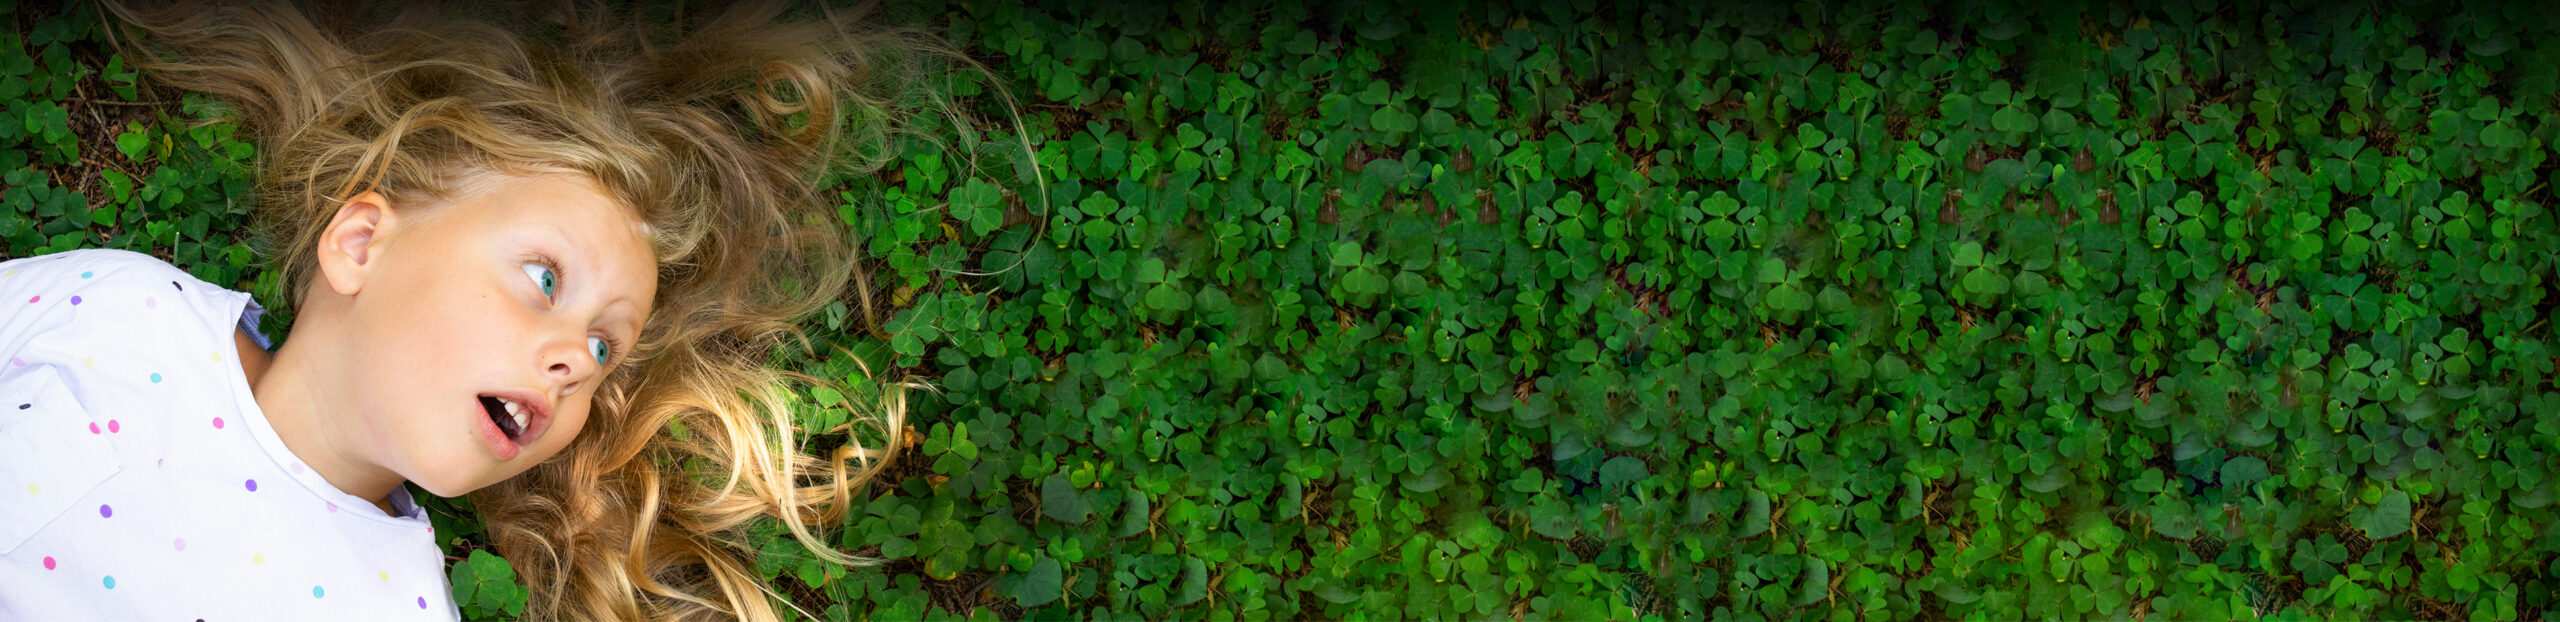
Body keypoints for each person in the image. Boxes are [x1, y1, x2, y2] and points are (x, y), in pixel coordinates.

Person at [0, 0, 999, 618]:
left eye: (605, 349)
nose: (575, 359)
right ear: (361, 243)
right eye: (546, 281)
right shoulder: (124, 312)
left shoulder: (399, 606)